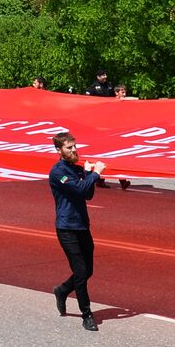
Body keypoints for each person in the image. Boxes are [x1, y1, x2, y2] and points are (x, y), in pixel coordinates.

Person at [49, 131, 108, 331]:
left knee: (88, 270)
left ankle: (62, 290)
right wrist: (95, 174)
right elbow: (81, 189)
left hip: (82, 225)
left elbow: (87, 195)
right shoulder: (58, 172)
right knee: (81, 271)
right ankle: (87, 314)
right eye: (69, 147)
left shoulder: (76, 169)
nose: (74, 150)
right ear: (59, 150)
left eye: (74, 146)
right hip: (66, 228)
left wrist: (88, 175)